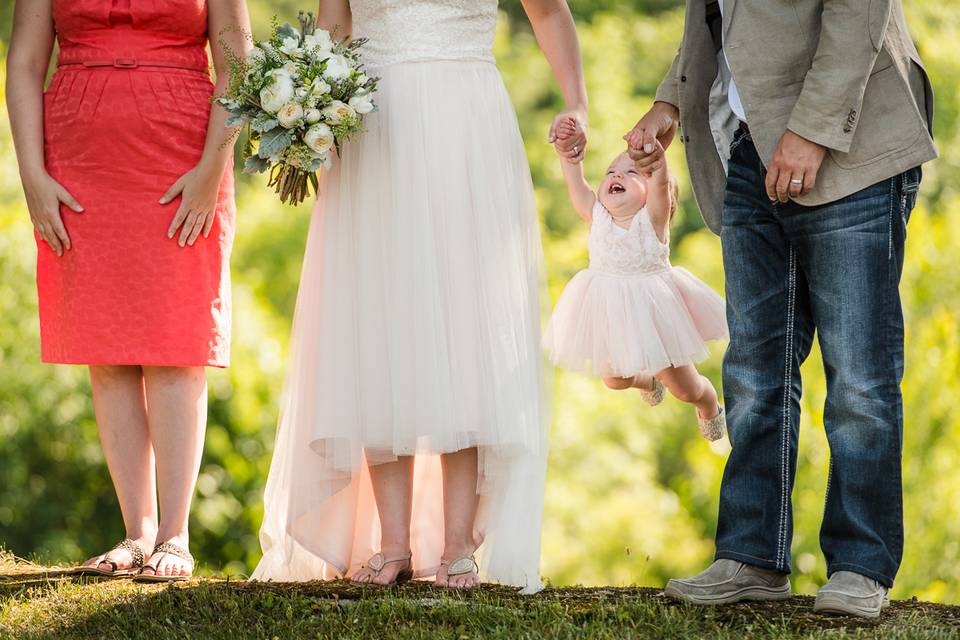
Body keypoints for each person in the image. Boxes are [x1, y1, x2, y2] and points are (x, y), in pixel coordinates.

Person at [252, 0, 587, 592]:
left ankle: (457, 547)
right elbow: (334, 25)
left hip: (467, 128)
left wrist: (576, 103)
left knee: (464, 322)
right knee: (380, 318)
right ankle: (393, 544)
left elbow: (550, 13)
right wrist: (307, 107)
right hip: (372, 127)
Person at [628, 0, 935, 618]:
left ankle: (859, 566)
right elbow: (717, 16)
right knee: (753, 371)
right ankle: (750, 557)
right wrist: (671, 97)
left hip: (848, 145)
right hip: (746, 149)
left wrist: (813, 130)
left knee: (860, 379)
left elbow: (858, 11)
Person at [6, 0, 250, 580]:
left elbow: (237, 58)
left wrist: (210, 174)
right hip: (79, 158)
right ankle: (136, 533)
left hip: (183, 156)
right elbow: (24, 62)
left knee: (175, 341)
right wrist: (33, 176)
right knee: (107, 346)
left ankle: (175, 536)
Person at [543, 120, 728, 441]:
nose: (617, 176)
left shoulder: (652, 220)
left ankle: (709, 402)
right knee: (613, 379)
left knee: (685, 389)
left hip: (656, 318)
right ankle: (648, 381)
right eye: (612, 172)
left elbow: (659, 186)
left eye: (631, 173)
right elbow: (575, 183)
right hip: (611, 312)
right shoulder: (596, 215)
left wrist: (655, 159)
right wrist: (567, 150)